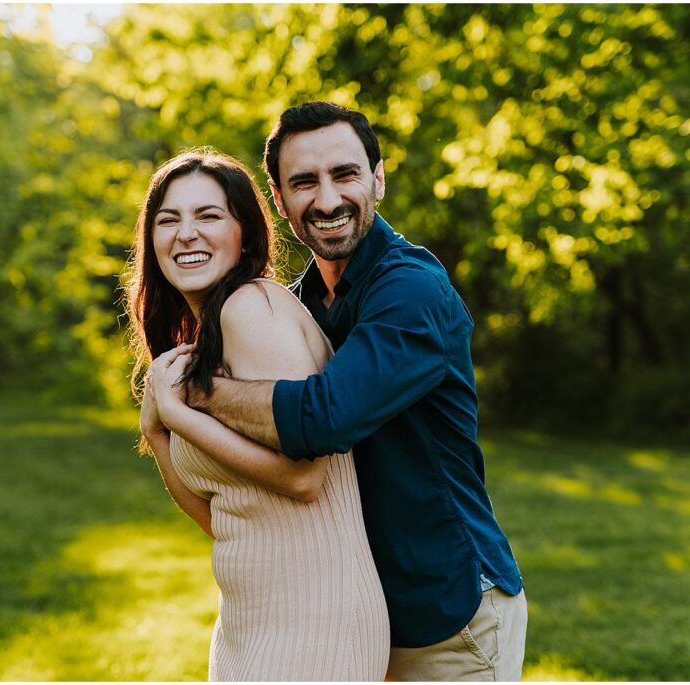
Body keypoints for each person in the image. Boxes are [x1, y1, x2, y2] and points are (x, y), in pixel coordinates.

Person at [177, 101, 528, 681]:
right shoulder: (300, 303)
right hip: (354, 614)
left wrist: (202, 393)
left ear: (378, 179)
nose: (328, 199)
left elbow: (323, 420)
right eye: (304, 182)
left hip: (448, 612)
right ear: (280, 198)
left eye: (345, 174)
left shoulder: (411, 291)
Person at [124, 149, 389, 681]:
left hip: (315, 624)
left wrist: (176, 415)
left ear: (245, 232)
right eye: (168, 220)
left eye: (208, 215)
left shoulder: (251, 308)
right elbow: (224, 519)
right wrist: (157, 434)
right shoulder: (214, 334)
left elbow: (306, 476)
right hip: (250, 622)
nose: (186, 234)